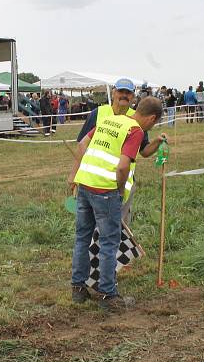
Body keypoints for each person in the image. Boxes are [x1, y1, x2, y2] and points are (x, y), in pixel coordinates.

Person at [68, 96, 163, 311]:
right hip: (105, 190)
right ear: (151, 118)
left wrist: (81, 171)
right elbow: (122, 168)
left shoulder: (111, 120)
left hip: (85, 185)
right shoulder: (135, 131)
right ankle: (108, 295)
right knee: (109, 242)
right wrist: (119, 191)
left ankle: (78, 288)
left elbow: (83, 143)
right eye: (153, 124)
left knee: (82, 238)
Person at [76, 78, 164, 224]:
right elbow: (82, 145)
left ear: (133, 96)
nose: (124, 95)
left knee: (113, 228)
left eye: (128, 92)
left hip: (121, 181)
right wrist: (76, 174)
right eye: (120, 91)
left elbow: (144, 151)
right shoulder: (98, 114)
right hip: (99, 184)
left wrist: (157, 141)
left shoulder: (139, 118)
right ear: (114, 92)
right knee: (102, 231)